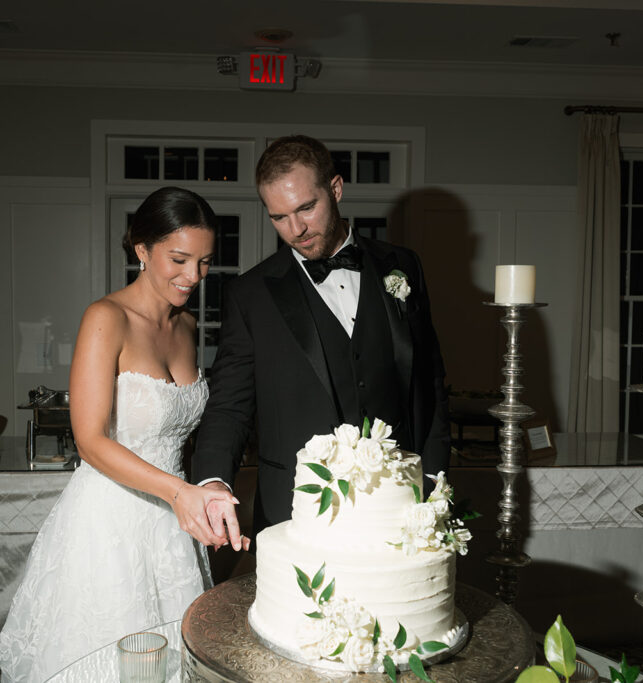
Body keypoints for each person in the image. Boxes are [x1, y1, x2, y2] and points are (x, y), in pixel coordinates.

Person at [0, 187, 243, 682]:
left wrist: (202, 495)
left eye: (205, 262)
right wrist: (179, 494)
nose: (193, 277)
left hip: (175, 525)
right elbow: (89, 441)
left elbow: (184, 432)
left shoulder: (188, 325)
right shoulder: (105, 318)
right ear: (141, 250)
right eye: (179, 259)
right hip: (109, 521)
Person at [191, 134, 450, 550]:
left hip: (399, 504)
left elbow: (429, 381)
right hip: (294, 510)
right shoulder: (251, 294)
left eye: (306, 208)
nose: (296, 230)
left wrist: (433, 477)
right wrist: (213, 479)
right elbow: (229, 403)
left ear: (335, 189)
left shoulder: (402, 267)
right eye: (278, 217)